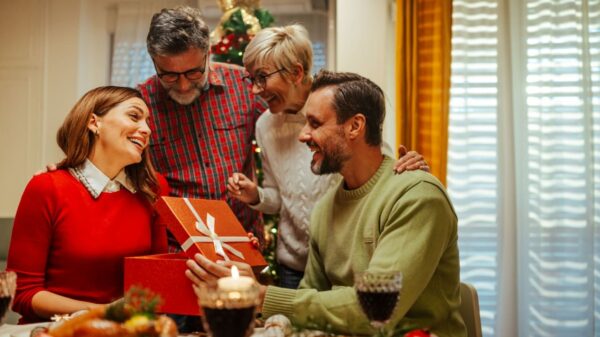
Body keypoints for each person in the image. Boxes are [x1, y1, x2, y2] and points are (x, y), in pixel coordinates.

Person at [186, 70, 466, 336]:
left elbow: (375, 310)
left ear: (355, 126)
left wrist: (262, 296)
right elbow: (308, 301)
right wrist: (256, 293)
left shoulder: (415, 196)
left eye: (315, 123)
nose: (303, 135)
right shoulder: (325, 208)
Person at [225, 25, 429, 289]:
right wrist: (256, 197)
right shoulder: (265, 125)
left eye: (262, 77)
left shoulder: (337, 107)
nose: (255, 90)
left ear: (296, 72)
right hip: (294, 266)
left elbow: (376, 167)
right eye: (251, 79)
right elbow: (278, 199)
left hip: (343, 262)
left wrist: (410, 169)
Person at [7, 86, 169, 324]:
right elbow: (23, 294)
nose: (146, 129)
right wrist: (101, 312)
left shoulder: (153, 189)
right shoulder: (47, 187)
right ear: (94, 123)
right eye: (134, 116)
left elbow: (156, 283)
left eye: (147, 122)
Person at [138, 6, 268, 245]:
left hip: (244, 241)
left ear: (208, 54)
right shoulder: (140, 104)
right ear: (154, 62)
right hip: (178, 247)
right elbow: (108, 161)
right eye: (169, 75)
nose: (184, 86)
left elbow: (286, 128)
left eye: (193, 73)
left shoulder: (244, 86)